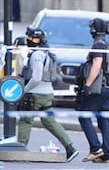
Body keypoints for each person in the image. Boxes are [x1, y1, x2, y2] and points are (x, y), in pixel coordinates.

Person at [17, 27, 79, 162]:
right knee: (49, 121)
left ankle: (20, 149)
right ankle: (70, 147)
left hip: (36, 93)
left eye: (31, 38)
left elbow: (36, 77)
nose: (28, 40)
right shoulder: (48, 53)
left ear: (38, 40)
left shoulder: (37, 55)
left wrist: (25, 90)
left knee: (25, 120)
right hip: (47, 93)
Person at [78, 17, 109, 163]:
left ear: (93, 30)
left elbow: (97, 64)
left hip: (97, 88)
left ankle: (95, 148)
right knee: (104, 119)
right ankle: (105, 154)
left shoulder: (98, 45)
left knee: (84, 116)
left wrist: (87, 85)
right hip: (108, 87)